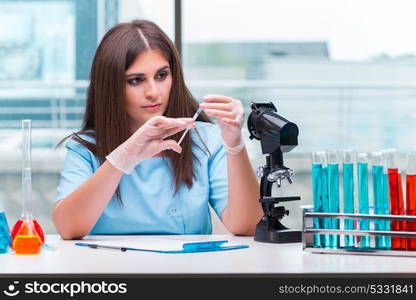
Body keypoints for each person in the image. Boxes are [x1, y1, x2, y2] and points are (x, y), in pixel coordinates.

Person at [53, 20, 262, 240]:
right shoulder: (85, 147)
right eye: (135, 80)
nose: (153, 92)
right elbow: (68, 228)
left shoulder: (206, 139)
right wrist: (121, 160)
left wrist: (235, 146)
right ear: (111, 87)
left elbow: (247, 226)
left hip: (186, 271)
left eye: (161, 76)